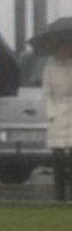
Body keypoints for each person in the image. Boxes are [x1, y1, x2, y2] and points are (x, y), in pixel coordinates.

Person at [43, 42, 72, 202]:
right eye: (62, 49)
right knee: (58, 157)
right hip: (57, 114)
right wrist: (51, 114)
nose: (65, 51)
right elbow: (47, 93)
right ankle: (58, 193)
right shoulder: (50, 69)